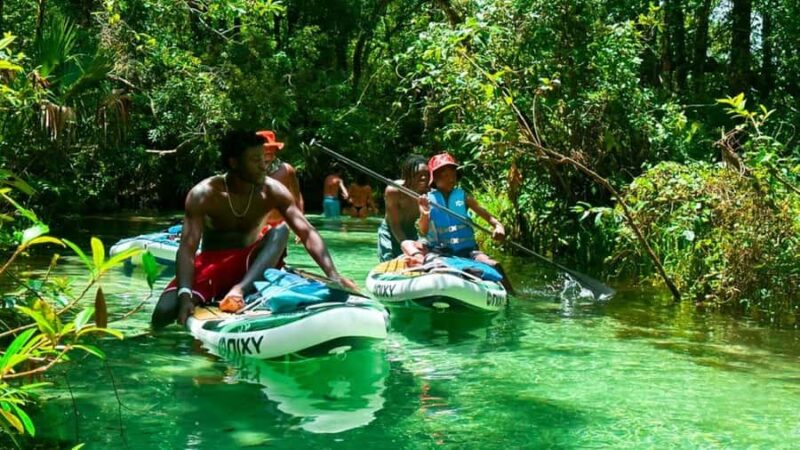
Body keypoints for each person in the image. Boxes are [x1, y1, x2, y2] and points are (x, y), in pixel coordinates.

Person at [151, 130, 358, 328]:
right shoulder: (205, 194)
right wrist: (185, 295)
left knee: (281, 231)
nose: (263, 166)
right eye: (255, 160)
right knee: (163, 312)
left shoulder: (272, 191)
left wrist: (333, 274)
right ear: (234, 163)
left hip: (253, 263)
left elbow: (307, 232)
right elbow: (187, 249)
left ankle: (239, 290)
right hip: (213, 263)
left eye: (264, 158)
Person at [417, 152, 514, 292]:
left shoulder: (464, 197)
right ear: (435, 179)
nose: (450, 179)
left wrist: (498, 226)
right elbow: (423, 230)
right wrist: (425, 212)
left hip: (468, 251)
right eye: (445, 175)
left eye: (453, 174)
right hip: (439, 252)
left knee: (494, 265)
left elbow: (489, 217)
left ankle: (512, 297)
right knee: (437, 268)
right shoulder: (427, 200)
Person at [377, 155, 430, 262]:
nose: (424, 178)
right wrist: (407, 246)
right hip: (390, 231)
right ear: (408, 176)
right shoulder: (394, 191)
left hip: (411, 231)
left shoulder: (429, 194)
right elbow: (395, 224)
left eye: (426, 175)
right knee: (389, 262)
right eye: (419, 174)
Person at [257, 130, 304, 244]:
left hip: (279, 226)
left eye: (271, 150)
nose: (268, 154)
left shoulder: (287, 170)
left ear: (275, 150)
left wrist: (300, 227)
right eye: (264, 150)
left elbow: (297, 199)